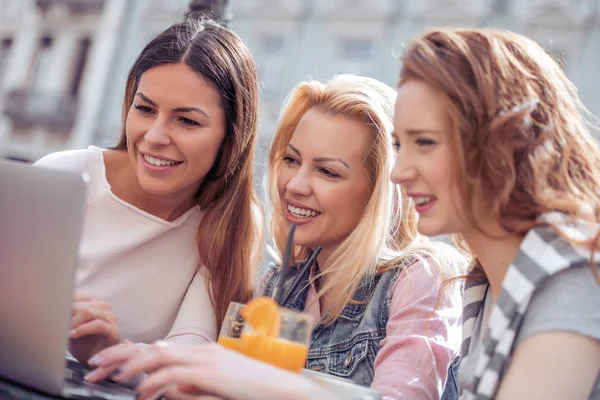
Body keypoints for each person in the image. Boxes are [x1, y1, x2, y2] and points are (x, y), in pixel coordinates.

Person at [87, 74, 469, 399]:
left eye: (328, 172)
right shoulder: (276, 285)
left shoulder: (420, 277)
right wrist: (113, 355)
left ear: (379, 194)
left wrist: (264, 383)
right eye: (291, 160)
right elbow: (209, 385)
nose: (295, 185)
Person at [34, 17, 262, 367]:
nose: (154, 136)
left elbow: (195, 341)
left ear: (232, 135)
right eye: (145, 109)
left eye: (187, 121)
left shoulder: (233, 222)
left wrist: (110, 353)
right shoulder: (62, 175)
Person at [390, 28, 600, 399]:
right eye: (399, 144)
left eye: (425, 142)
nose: (399, 172)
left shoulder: (575, 275)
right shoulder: (484, 282)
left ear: (503, 142)